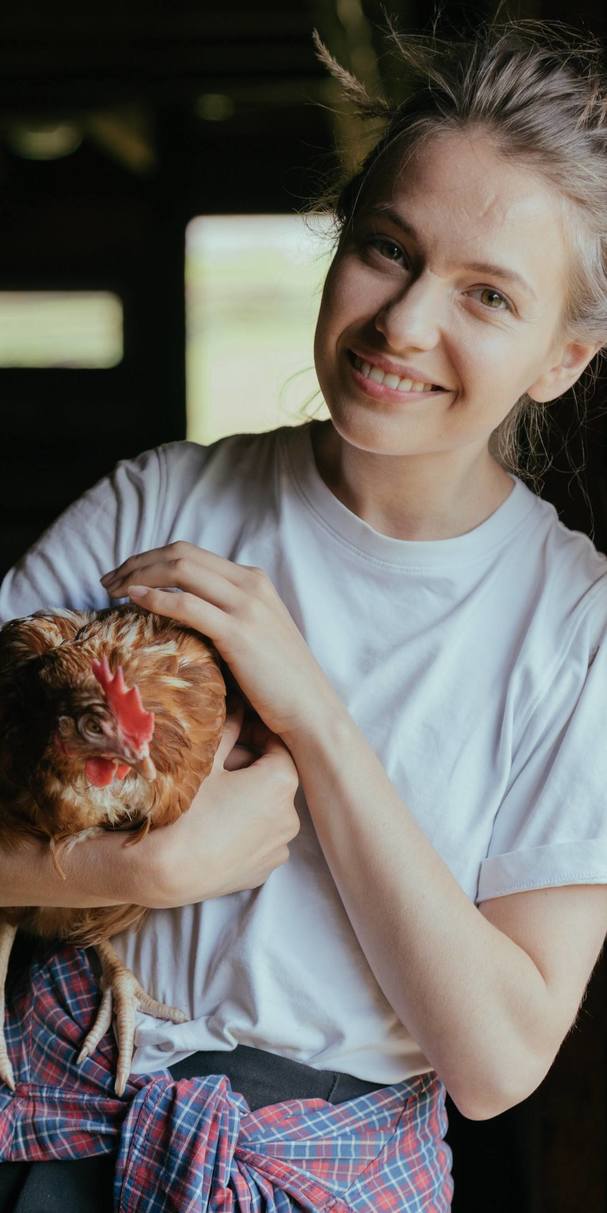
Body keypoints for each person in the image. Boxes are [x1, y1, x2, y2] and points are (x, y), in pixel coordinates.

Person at [2, 19, 607, 1212]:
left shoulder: (571, 625)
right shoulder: (161, 503)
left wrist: (315, 718)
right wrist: (146, 865)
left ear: (562, 358)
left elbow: (497, 1063)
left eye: (488, 295)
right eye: (388, 249)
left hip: (324, 1179)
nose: (404, 324)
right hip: (57, 1130)